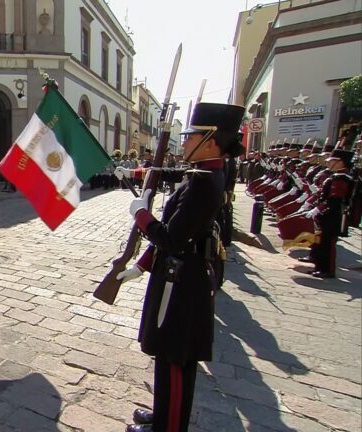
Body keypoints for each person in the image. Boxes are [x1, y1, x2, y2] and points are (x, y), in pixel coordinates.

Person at [118, 102, 246, 432]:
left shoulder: (205, 184)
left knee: (174, 358)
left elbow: (172, 238)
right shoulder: (203, 175)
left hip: (183, 282)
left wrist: (140, 215)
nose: (185, 142)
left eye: (191, 137)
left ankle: (167, 427)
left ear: (212, 141)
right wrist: (143, 265)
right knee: (169, 357)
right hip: (179, 274)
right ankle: (164, 414)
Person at [306, 148, 355, 278]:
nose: (328, 163)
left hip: (333, 215)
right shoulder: (336, 176)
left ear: (340, 162)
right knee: (322, 242)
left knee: (328, 244)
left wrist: (319, 209)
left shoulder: (342, 178)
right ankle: (320, 267)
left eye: (332, 161)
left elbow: (334, 199)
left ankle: (328, 270)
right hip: (327, 214)